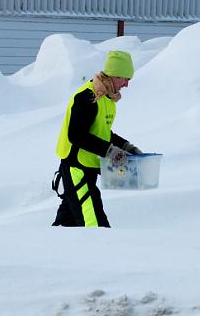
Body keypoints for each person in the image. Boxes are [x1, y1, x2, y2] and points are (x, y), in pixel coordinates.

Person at [52, 50, 142, 227]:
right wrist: (111, 152)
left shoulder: (106, 98)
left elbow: (101, 132)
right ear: (114, 75)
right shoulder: (88, 96)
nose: (126, 84)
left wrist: (126, 147)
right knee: (95, 229)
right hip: (76, 169)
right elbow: (77, 135)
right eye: (125, 79)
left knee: (65, 227)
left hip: (88, 168)